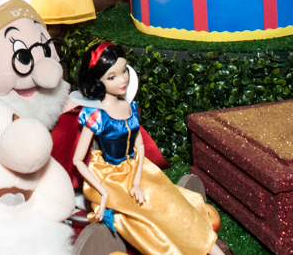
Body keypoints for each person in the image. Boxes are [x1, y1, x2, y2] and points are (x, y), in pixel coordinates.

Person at [72, 43, 227, 255]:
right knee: (149, 215)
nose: (123, 79)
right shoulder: (95, 115)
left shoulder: (129, 107)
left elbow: (140, 146)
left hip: (137, 169)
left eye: (124, 70)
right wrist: (103, 191)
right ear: (98, 81)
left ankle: (209, 246)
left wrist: (136, 181)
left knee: (170, 201)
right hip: (111, 178)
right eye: (112, 77)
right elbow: (78, 161)